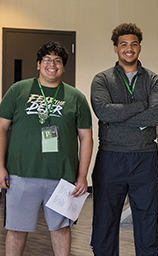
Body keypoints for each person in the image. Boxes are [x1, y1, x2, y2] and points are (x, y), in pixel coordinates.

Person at [0, 41, 93, 256]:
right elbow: (2, 128)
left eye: (58, 61)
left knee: (61, 229)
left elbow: (86, 138)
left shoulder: (76, 97)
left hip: (62, 179)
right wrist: (1, 166)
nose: (52, 65)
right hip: (21, 174)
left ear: (63, 66)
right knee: (16, 230)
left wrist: (82, 175)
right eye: (47, 60)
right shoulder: (18, 90)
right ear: (38, 64)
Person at [90, 23, 158, 256]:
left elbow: (157, 114)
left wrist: (118, 118)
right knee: (105, 220)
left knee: (147, 221)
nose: (129, 49)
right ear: (115, 49)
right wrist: (141, 106)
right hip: (110, 158)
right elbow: (103, 111)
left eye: (133, 44)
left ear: (140, 48)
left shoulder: (154, 80)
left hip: (145, 158)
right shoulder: (102, 79)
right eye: (123, 44)